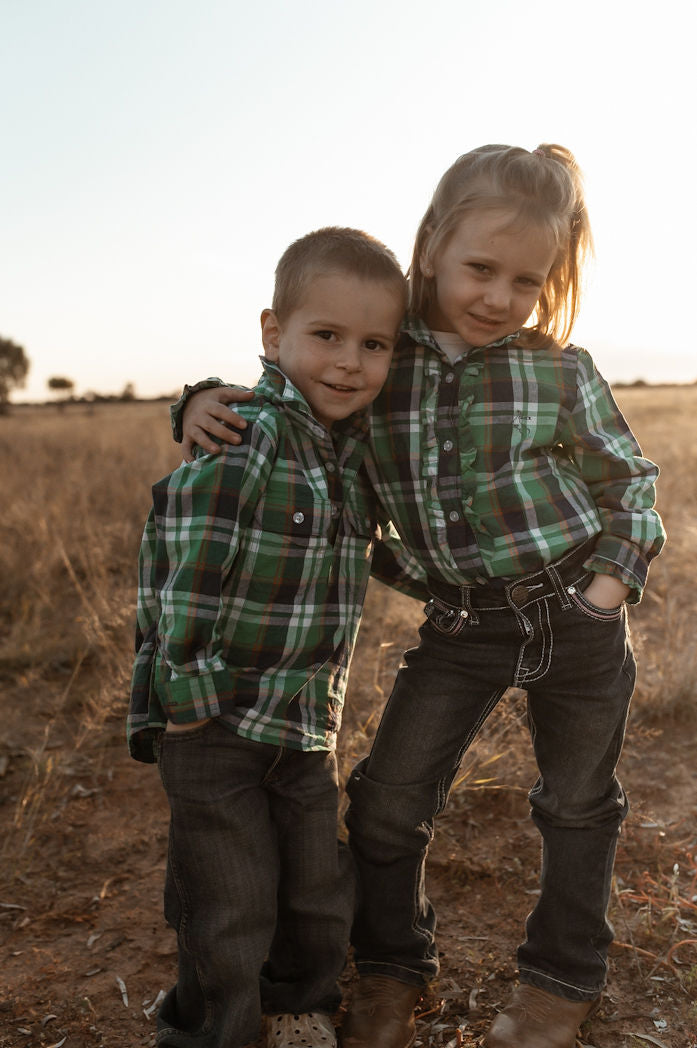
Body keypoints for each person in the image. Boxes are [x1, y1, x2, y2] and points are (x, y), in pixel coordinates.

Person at [171, 145, 666, 1048]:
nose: (498, 298)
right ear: (431, 246)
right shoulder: (379, 364)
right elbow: (298, 411)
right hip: (461, 624)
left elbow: (629, 480)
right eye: (480, 268)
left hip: (574, 615)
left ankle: (560, 978)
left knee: (576, 803)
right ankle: (394, 967)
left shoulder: (557, 367)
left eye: (527, 280)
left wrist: (604, 589)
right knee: (389, 799)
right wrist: (200, 397)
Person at [127, 227, 430, 1048]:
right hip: (214, 721)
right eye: (325, 335)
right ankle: (213, 1031)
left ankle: (300, 1005)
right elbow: (182, 565)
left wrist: (454, 585)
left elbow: (380, 551)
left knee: (314, 883)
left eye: (373, 344)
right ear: (273, 333)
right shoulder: (243, 433)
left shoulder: (349, 452)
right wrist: (185, 696)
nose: (347, 362)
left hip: (303, 721)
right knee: (229, 897)